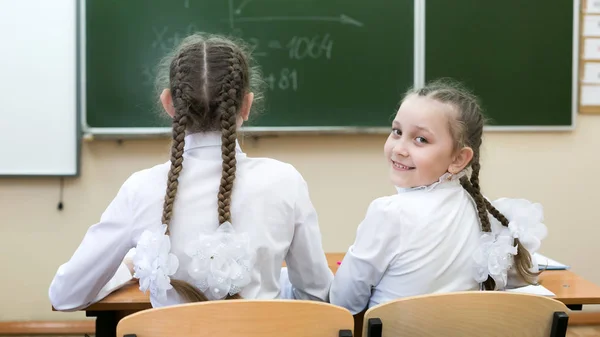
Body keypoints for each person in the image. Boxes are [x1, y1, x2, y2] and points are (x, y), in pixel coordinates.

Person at [49, 33, 333, 310]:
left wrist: (129, 266)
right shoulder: (285, 181)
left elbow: (64, 295)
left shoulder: (141, 189)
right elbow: (318, 295)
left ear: (169, 103)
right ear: (246, 105)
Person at [329, 78, 547, 314]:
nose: (399, 148)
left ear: (458, 159)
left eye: (421, 139)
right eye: (397, 131)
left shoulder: (389, 213)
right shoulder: (485, 213)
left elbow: (343, 303)